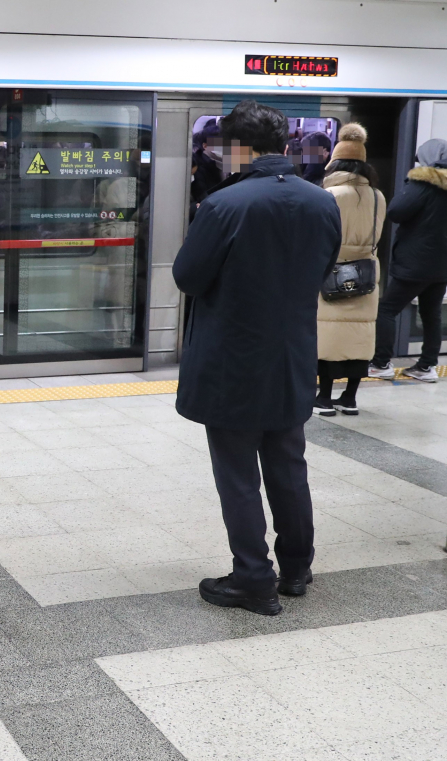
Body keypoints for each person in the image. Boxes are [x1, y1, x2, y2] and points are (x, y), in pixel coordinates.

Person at [172, 99, 341, 615]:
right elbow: (322, 268)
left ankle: (252, 578)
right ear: (285, 144)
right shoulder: (321, 202)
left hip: (232, 361)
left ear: (239, 148)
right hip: (291, 356)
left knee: (238, 472)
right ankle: (296, 568)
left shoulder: (224, 205)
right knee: (289, 464)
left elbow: (188, 276)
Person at [314, 124, 386, 417]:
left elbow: (320, 236)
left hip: (332, 270)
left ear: (335, 163)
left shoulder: (329, 195)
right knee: (360, 335)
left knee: (329, 335)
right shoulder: (377, 196)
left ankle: (325, 398)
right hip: (367, 271)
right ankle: (350, 397)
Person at [369, 138, 447, 383]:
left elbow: (396, 211)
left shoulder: (423, 183)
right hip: (442, 264)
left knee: (387, 309)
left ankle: (381, 362)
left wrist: (409, 184)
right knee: (431, 312)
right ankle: (427, 366)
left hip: (416, 261)